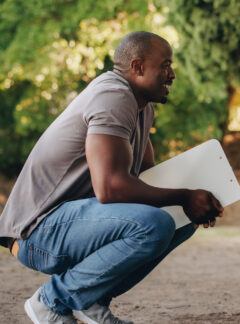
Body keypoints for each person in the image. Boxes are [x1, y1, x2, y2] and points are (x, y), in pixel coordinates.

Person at [0, 31, 223, 324]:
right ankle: (51, 301)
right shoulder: (113, 95)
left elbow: (146, 178)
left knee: (180, 219)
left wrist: (197, 198)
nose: (172, 74)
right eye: (165, 65)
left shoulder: (141, 108)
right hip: (37, 232)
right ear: (138, 67)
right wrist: (184, 195)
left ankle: (91, 300)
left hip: (75, 224)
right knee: (154, 224)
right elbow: (109, 188)